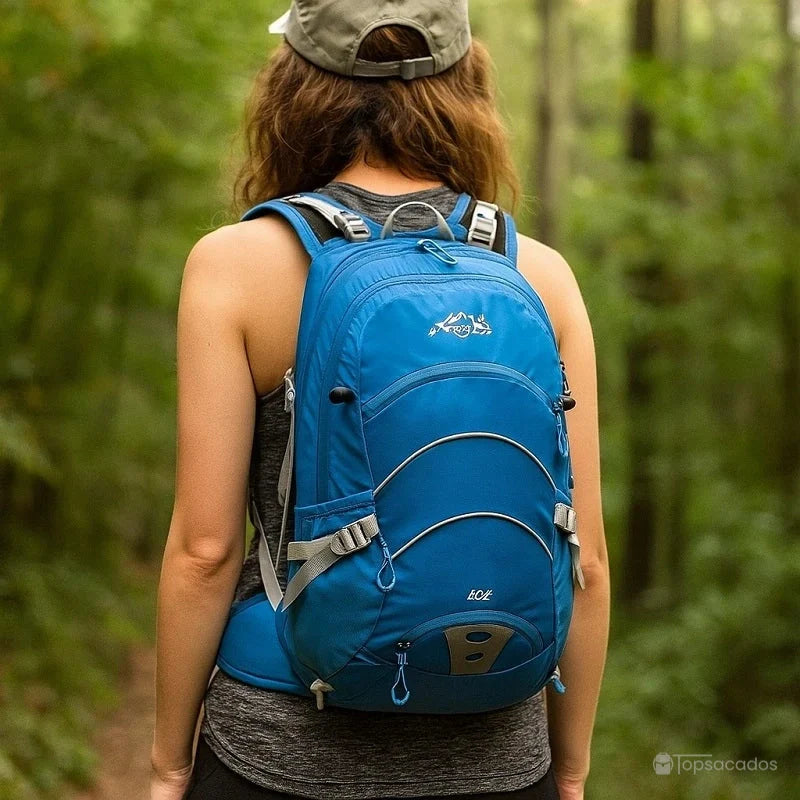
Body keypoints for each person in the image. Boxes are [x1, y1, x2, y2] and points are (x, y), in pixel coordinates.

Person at [150, 2, 610, 799]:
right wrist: (569, 772)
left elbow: (205, 553)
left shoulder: (235, 267)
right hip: (498, 756)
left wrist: (167, 765)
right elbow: (587, 563)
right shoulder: (540, 276)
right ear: (467, 82)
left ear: (294, 83)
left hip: (280, 750)